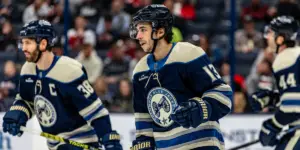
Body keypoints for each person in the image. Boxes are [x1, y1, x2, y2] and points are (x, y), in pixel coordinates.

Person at [2, 20, 123, 150]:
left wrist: (109, 139)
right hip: (57, 145)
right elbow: (27, 101)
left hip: (82, 143)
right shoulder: (28, 69)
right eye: (23, 43)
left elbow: (96, 111)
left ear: (43, 44)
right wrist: (17, 114)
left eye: (28, 43)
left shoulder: (69, 70)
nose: (23, 48)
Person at [129, 5, 233, 150]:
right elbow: (143, 116)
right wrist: (144, 142)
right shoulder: (140, 70)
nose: (138, 36)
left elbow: (224, 94)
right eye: (137, 30)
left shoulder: (188, 54)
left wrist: (201, 108)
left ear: (160, 31)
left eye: (143, 30)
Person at [248, 16, 300, 149]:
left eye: (270, 33)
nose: (267, 37)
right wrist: (273, 99)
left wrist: (271, 126)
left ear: (280, 38)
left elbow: (293, 107)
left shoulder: (286, 58)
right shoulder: (295, 55)